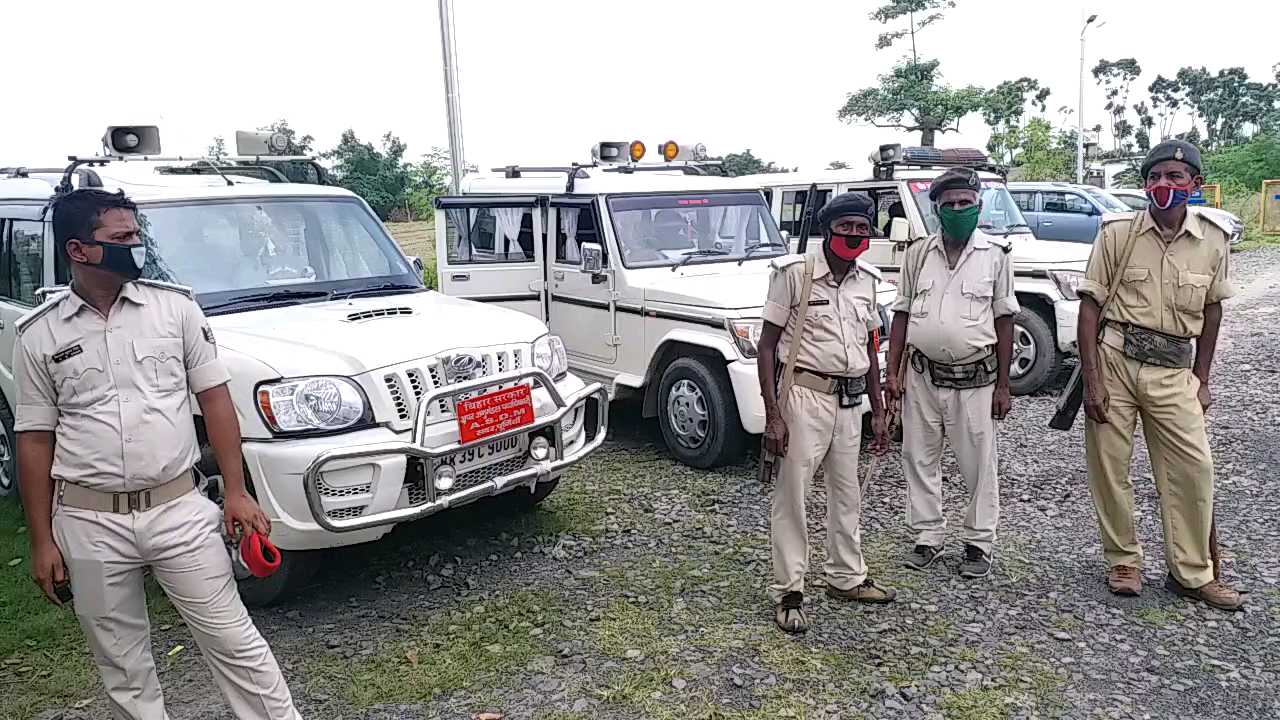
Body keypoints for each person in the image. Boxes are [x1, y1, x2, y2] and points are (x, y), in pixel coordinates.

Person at [13, 189, 303, 719]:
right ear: (79, 250)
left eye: (136, 234)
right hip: (88, 518)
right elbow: (34, 437)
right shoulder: (40, 335)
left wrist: (236, 492)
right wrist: (42, 540)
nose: (136, 246)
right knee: (123, 667)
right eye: (120, 238)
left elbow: (215, 401)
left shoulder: (175, 309)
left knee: (234, 642)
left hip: (179, 509)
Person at [1076, 140, 1243, 611]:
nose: (1163, 186)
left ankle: (1191, 572)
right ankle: (1123, 560)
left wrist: (1202, 378)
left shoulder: (1212, 239)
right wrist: (1092, 379)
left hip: (1174, 371)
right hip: (1116, 361)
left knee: (1193, 469)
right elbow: (1089, 309)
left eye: (1174, 176)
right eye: (1155, 177)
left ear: (1195, 185)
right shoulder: (1117, 234)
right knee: (1109, 467)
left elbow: (1212, 313)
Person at [758, 191, 894, 634]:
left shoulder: (866, 281)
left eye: (861, 227)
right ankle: (789, 590)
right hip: (804, 396)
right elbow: (765, 348)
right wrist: (774, 416)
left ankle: (846, 576)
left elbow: (870, 349)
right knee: (793, 495)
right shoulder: (794, 275)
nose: (854, 235)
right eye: (845, 227)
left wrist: (879, 407)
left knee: (847, 491)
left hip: (851, 401)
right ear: (826, 230)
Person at [885, 166, 1018, 579]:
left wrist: (1004, 384)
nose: (958, 209)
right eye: (950, 205)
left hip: (976, 379)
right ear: (937, 210)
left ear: (978, 207)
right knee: (918, 457)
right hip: (922, 375)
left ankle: (979, 543)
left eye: (965, 203)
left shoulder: (995, 257)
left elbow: (1005, 319)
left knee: (978, 463)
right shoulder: (918, 254)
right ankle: (928, 537)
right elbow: (902, 314)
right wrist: (892, 374)